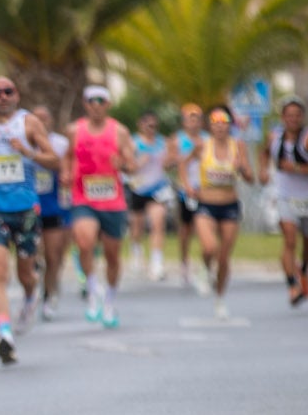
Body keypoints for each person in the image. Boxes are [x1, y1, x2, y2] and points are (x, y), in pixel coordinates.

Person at [0, 77, 59, 364]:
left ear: (17, 95)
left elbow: (53, 159)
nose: (3, 97)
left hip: (25, 209)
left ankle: (32, 295)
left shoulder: (29, 123)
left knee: (24, 272)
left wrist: (27, 152)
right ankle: (5, 333)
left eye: (8, 91)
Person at [66, 85, 137, 328]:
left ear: (107, 104)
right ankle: (93, 291)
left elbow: (132, 165)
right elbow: (67, 157)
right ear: (85, 104)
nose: (96, 105)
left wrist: (123, 165)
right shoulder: (74, 130)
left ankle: (109, 301)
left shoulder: (120, 132)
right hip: (83, 197)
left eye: (101, 100)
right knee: (84, 241)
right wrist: (66, 174)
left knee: (112, 256)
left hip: (113, 201)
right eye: (91, 101)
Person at [192, 104, 261, 320]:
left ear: (230, 126)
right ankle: (203, 270)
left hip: (229, 205)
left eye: (224, 124)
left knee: (224, 258)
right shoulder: (202, 145)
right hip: (206, 204)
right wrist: (187, 186)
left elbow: (250, 178)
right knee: (210, 246)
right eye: (216, 124)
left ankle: (220, 299)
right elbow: (183, 165)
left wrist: (242, 168)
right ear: (210, 127)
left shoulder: (238, 146)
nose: (220, 128)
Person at [266, 98, 308, 307]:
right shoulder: (274, 137)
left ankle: (304, 271)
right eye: (289, 115)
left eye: (297, 115)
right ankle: (292, 285)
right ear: (282, 117)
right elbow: (264, 154)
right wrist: (264, 171)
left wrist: (298, 169)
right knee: (290, 239)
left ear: (302, 117)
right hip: (285, 196)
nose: (293, 119)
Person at [32, 103, 71, 320]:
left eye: (44, 118)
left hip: (54, 205)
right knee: (35, 253)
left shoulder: (60, 144)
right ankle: (37, 287)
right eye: (36, 118)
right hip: (29, 205)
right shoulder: (22, 142)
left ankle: (49, 292)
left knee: (54, 254)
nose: (41, 122)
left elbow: (66, 167)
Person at [124, 110, 173, 280]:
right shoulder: (133, 143)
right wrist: (138, 163)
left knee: (158, 222)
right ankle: (136, 251)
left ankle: (156, 262)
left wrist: (169, 161)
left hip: (158, 189)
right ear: (141, 125)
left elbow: (170, 163)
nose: (151, 129)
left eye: (154, 126)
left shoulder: (163, 143)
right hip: (138, 189)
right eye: (148, 125)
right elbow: (127, 168)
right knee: (137, 227)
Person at [172, 103, 207, 291]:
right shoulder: (177, 140)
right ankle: (184, 263)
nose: (193, 122)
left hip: (206, 191)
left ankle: (204, 266)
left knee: (205, 230)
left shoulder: (207, 140)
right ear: (184, 121)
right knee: (185, 230)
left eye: (196, 118)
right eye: (189, 118)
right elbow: (172, 163)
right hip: (186, 191)